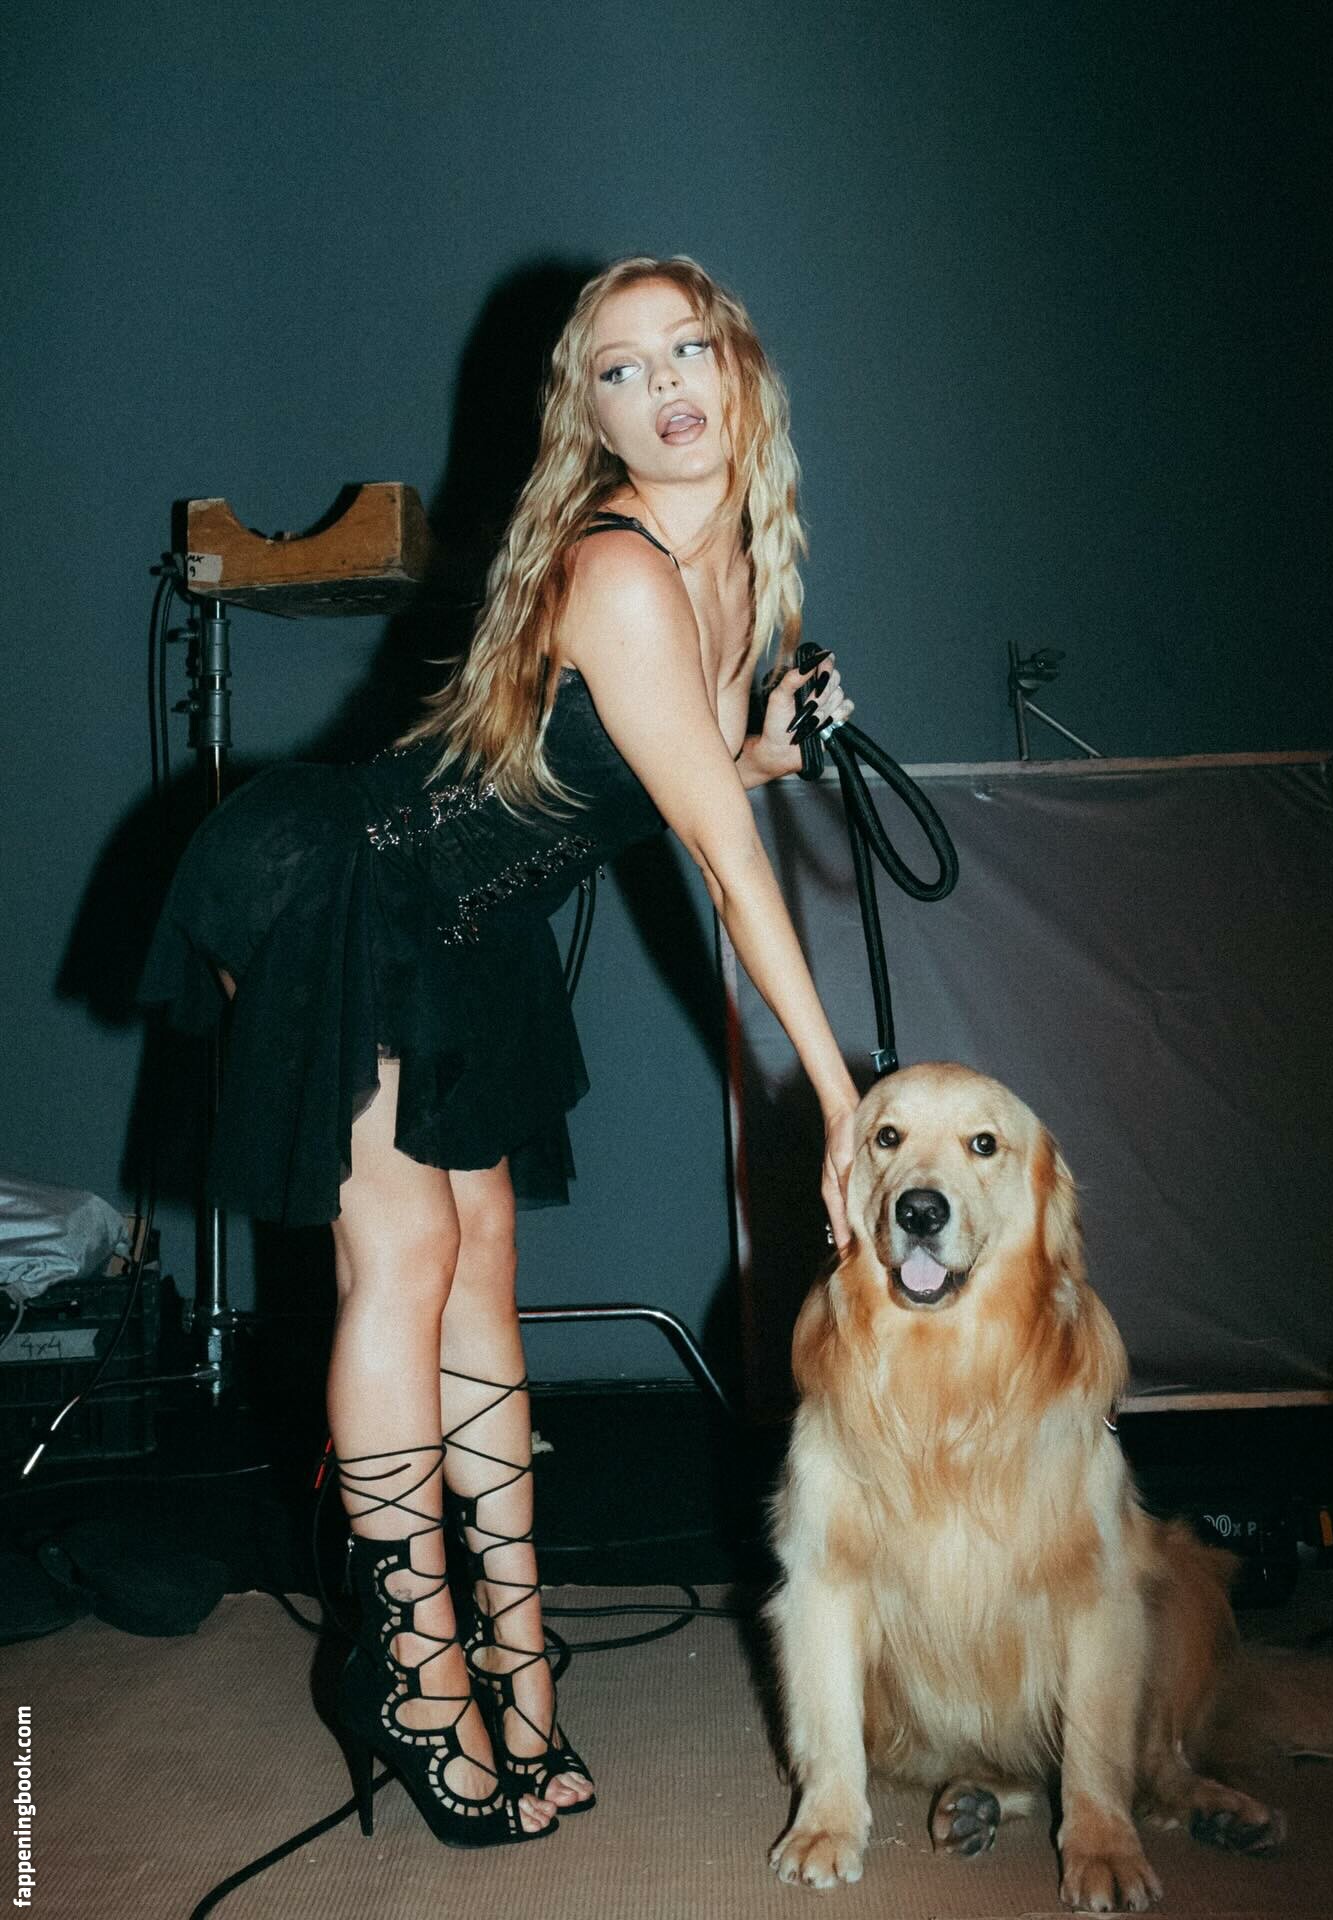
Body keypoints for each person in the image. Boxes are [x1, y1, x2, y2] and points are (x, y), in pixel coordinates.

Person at [140, 254, 859, 1849]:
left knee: (482, 1267)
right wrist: (838, 1100)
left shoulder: (740, 573)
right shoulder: (618, 569)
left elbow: (650, 777)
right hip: (346, 889)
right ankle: (416, 1676)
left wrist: (757, 750)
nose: (664, 386)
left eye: (687, 349)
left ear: (740, 369)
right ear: (589, 414)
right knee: (403, 1258)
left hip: (469, 935)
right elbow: (724, 865)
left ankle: (519, 1674)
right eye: (621, 368)